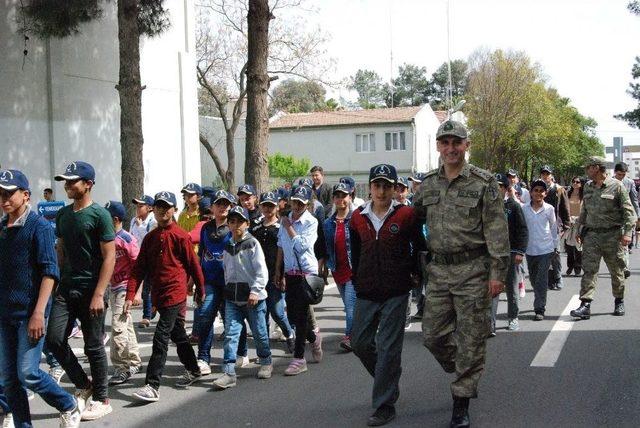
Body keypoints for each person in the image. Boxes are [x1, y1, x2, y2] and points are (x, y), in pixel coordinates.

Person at [413, 120, 509, 428]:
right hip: (439, 271)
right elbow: (411, 218)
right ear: (438, 147)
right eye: (445, 142)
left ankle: (461, 401)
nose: (451, 148)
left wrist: (498, 273)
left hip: (474, 271)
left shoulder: (483, 183)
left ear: (466, 145)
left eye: (457, 142)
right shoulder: (427, 183)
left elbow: (497, 231)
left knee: (471, 338)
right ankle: (467, 367)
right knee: (432, 336)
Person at [0, 169, 81, 427]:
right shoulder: (2, 229)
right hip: (4, 315)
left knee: (29, 373)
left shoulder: (40, 227)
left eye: (9, 193)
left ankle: (68, 404)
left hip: (30, 314)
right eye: (0, 194)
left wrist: (38, 313)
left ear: (25, 195)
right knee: (8, 379)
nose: (4, 199)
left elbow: (50, 272)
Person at [349, 164, 426, 426]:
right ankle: (388, 377)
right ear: (369, 188)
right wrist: (356, 280)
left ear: (395, 189)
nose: (381, 191)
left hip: (397, 290)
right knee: (359, 342)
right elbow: (356, 252)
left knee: (388, 347)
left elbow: (420, 247)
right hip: (367, 290)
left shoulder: (407, 215)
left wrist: (415, 273)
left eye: (387, 186)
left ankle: (384, 406)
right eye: (377, 185)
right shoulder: (357, 217)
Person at [46, 161, 116, 421]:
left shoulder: (100, 215)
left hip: (92, 290)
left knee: (93, 346)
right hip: (66, 288)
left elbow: (110, 257)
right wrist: (54, 282)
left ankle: (101, 398)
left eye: (72, 181)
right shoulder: (63, 215)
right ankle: (83, 384)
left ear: (88, 184)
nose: (67, 185)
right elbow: (60, 250)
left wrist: (99, 293)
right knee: (53, 340)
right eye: (65, 180)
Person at [125, 191, 205, 402]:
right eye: (159, 206)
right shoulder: (151, 238)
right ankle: (194, 369)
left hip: (175, 293)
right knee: (178, 334)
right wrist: (130, 294)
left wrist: (200, 290)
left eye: (166, 206)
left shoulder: (180, 236)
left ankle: (152, 385)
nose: (162, 210)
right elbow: (138, 269)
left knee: (161, 337)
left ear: (174, 210)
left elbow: (193, 265)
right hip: (158, 295)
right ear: (154, 208)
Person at [213, 206, 273, 389]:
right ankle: (229, 372)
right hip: (232, 298)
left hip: (253, 299)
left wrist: (255, 291)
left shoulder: (252, 243)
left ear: (247, 223)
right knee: (231, 334)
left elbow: (261, 270)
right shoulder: (228, 245)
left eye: (240, 221)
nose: (235, 225)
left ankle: (265, 361)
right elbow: (227, 271)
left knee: (260, 333)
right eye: (232, 221)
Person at [570, 156, 637, 319]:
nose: (586, 171)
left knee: (617, 271)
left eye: (588, 168)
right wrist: (579, 229)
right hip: (592, 235)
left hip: (613, 236)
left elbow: (630, 213)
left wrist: (628, 234)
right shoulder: (588, 187)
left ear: (597, 168)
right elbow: (585, 210)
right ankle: (585, 305)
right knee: (589, 270)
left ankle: (619, 301)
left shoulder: (617, 186)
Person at [275, 185, 322, 376]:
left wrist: (289, 227)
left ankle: (299, 358)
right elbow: (280, 245)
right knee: (293, 317)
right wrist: (278, 271)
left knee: (301, 316)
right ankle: (313, 338)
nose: (296, 206)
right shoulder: (285, 219)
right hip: (289, 272)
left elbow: (303, 246)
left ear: (307, 204)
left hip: (305, 273)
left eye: (301, 203)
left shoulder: (311, 222)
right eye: (294, 202)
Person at [194, 190, 235, 375]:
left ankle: (238, 354)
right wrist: (193, 281)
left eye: (226, 204)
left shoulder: (235, 227)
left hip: (230, 282)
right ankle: (203, 358)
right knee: (204, 316)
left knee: (231, 321)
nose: (223, 207)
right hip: (209, 281)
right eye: (219, 203)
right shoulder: (205, 228)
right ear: (212, 207)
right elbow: (200, 254)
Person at [250, 191, 295, 352]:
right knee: (261, 313)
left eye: (271, 205)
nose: (268, 209)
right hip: (257, 276)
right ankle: (264, 347)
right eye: (265, 205)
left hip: (275, 274)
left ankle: (289, 333)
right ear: (260, 206)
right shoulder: (255, 226)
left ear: (277, 207)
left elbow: (285, 251)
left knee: (276, 310)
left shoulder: (282, 226)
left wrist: (282, 274)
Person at [104, 201, 142, 386]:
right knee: (126, 326)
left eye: (106, 217)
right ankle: (134, 361)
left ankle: (121, 368)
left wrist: (136, 293)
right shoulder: (105, 238)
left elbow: (139, 267)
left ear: (116, 219)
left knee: (117, 328)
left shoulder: (126, 239)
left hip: (125, 288)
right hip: (112, 287)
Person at [490, 174, 528, 333]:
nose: (497, 189)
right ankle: (490, 324)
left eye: (500, 186)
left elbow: (523, 230)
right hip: (491, 254)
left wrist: (520, 251)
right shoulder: (487, 206)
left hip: (511, 253)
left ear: (506, 188)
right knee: (492, 288)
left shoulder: (514, 206)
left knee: (511, 286)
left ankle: (513, 317)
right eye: (495, 186)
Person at [323, 182, 356, 352]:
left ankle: (349, 337)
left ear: (350, 197)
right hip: (337, 269)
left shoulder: (357, 218)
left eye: (344, 196)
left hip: (354, 270)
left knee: (350, 306)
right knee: (349, 306)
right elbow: (325, 247)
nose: (341, 199)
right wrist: (324, 267)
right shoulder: (328, 223)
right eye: (337, 196)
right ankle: (361, 331)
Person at [522, 180, 557, 321]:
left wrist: (555, 247)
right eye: (535, 190)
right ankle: (539, 297)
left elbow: (554, 228)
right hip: (530, 250)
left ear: (545, 193)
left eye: (541, 191)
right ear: (531, 193)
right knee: (533, 278)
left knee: (542, 279)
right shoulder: (524, 209)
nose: (538, 193)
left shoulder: (549, 209)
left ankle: (539, 308)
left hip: (545, 249)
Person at [539, 165, 569, 290]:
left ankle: (558, 277)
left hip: (555, 225)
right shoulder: (538, 189)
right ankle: (549, 280)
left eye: (547, 174)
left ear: (551, 175)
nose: (546, 176)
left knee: (555, 253)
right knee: (544, 253)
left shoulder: (559, 189)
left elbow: (564, 208)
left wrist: (566, 226)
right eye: (543, 174)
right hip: (541, 225)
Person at [130, 195, 157, 328]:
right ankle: (147, 316)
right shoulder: (133, 220)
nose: (138, 208)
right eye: (137, 206)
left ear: (149, 208)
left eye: (141, 206)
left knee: (151, 287)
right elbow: (131, 238)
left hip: (153, 258)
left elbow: (151, 239)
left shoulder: (153, 221)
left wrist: (141, 227)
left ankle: (152, 309)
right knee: (146, 288)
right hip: (139, 258)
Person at [613, 162, 639, 278]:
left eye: (623, 174)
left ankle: (625, 267)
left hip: (625, 217)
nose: (621, 177)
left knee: (624, 243)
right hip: (611, 218)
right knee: (614, 246)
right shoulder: (608, 182)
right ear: (615, 172)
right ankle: (618, 266)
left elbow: (634, 200)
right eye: (619, 174)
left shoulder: (630, 183)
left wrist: (638, 216)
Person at [565, 177, 584, 276]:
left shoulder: (584, 195)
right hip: (569, 222)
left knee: (578, 247)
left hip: (580, 223)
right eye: (573, 182)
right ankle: (570, 265)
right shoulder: (567, 194)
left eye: (578, 182)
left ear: (581, 184)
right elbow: (564, 207)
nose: (575, 183)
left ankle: (578, 267)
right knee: (568, 246)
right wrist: (568, 219)